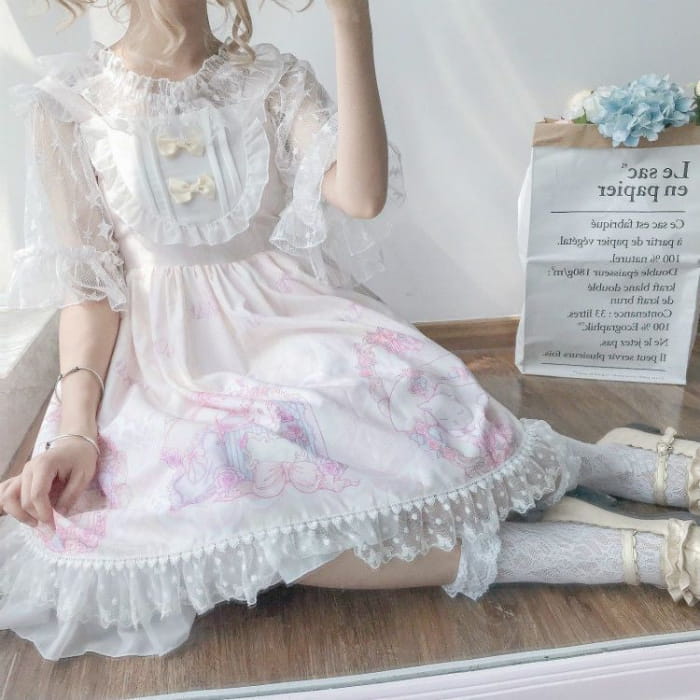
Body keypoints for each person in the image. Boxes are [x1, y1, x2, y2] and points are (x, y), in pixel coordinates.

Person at [1, 0, 699, 662]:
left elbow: (361, 196)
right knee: (225, 480)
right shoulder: (71, 100)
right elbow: (89, 290)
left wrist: (351, 19)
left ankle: (604, 466)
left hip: (288, 319)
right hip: (163, 364)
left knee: (406, 394)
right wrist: (76, 431)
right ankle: (616, 552)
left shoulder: (271, 79)